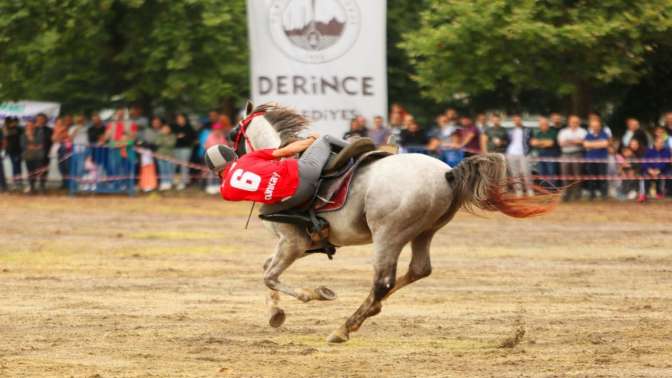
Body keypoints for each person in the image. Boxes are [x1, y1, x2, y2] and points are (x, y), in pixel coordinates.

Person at [205, 134, 354, 215]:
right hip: (303, 174)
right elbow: (286, 152)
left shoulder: (225, 192)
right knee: (325, 139)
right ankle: (366, 151)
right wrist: (311, 140)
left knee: (264, 212)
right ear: (231, 156)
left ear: (216, 170)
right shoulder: (246, 158)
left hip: (292, 199)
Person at [557, 115, 587, 201]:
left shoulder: (583, 131)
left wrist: (569, 141)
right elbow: (561, 143)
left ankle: (577, 194)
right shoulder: (563, 131)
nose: (574, 123)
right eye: (572, 122)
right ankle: (566, 194)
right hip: (565, 154)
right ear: (569, 122)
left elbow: (583, 142)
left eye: (576, 122)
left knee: (577, 175)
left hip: (577, 154)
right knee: (565, 175)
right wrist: (576, 141)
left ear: (579, 123)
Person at [22, 115, 53, 193]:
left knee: (43, 171)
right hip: (29, 156)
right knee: (31, 172)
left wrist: (34, 146)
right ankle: (32, 187)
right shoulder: (24, 135)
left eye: (42, 119)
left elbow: (41, 144)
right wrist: (33, 145)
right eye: (38, 119)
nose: (30, 127)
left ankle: (42, 187)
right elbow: (24, 145)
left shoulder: (47, 130)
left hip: (43, 155)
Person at [583, 117, 610, 199]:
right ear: (591, 127)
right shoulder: (588, 135)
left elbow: (605, 144)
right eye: (593, 126)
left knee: (603, 177)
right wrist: (599, 144)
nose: (595, 128)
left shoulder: (604, 133)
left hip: (602, 159)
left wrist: (592, 144)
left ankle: (604, 195)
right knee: (591, 178)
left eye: (597, 126)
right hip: (590, 159)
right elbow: (586, 145)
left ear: (600, 126)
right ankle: (591, 195)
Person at [505, 114, 533, 196]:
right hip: (511, 153)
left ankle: (530, 190)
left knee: (526, 172)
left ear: (521, 120)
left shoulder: (528, 130)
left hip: (524, 153)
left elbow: (532, 141)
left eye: (518, 120)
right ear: (513, 121)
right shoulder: (510, 131)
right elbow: (506, 141)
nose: (517, 121)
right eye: (515, 120)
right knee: (514, 173)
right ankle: (518, 191)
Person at [530, 116, 559, 187]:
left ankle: (552, 189)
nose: (543, 126)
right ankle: (544, 189)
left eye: (545, 124)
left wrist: (539, 143)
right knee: (542, 173)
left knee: (551, 173)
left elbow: (550, 143)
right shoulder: (538, 133)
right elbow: (533, 143)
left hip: (551, 155)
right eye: (541, 124)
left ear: (548, 124)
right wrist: (544, 143)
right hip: (541, 155)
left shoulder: (553, 132)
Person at [640, 136, 671, 201]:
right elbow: (644, 162)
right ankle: (644, 194)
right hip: (649, 171)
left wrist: (658, 170)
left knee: (667, 175)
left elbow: (666, 163)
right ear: (655, 143)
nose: (660, 144)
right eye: (659, 142)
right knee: (644, 176)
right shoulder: (648, 151)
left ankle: (661, 193)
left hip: (662, 171)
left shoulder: (667, 152)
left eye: (662, 143)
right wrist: (649, 170)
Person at [171, 113, 197, 190]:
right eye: (178, 119)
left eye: (181, 118)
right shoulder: (175, 127)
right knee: (175, 166)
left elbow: (193, 138)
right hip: (176, 149)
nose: (179, 120)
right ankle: (175, 182)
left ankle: (184, 182)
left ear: (184, 119)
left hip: (186, 148)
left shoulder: (189, 127)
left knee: (184, 165)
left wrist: (184, 137)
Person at [204, 119, 230, 194]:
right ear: (214, 130)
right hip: (211, 158)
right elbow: (210, 147)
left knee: (219, 173)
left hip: (220, 159)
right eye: (216, 130)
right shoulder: (210, 137)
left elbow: (225, 146)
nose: (218, 131)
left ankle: (217, 186)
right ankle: (210, 186)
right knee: (211, 173)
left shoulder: (221, 136)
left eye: (219, 130)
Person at [155, 121, 176, 191]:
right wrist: (163, 137)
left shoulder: (172, 136)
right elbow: (157, 143)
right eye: (164, 129)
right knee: (162, 170)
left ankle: (169, 183)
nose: (165, 130)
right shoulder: (159, 135)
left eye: (167, 129)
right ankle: (163, 182)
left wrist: (163, 141)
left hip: (169, 155)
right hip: (160, 155)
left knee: (168, 169)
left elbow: (171, 144)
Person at [3, 117, 23, 189]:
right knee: (15, 166)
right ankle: (16, 181)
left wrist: (6, 128)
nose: (12, 124)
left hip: (17, 150)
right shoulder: (8, 129)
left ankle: (18, 181)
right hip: (11, 151)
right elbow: (6, 138)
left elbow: (8, 134)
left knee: (16, 166)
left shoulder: (18, 129)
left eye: (13, 122)